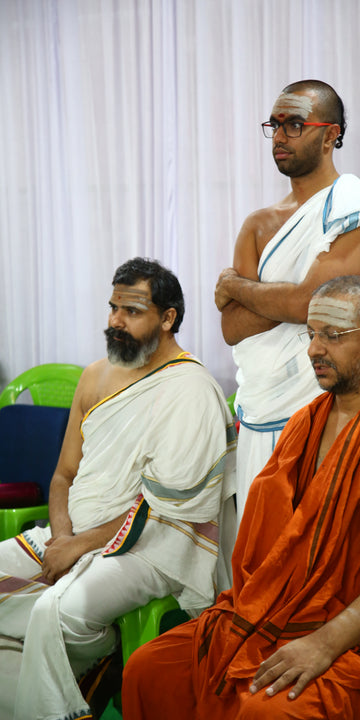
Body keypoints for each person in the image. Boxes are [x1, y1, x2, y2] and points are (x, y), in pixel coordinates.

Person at [123, 275, 360, 720]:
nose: (314, 349)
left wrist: (324, 643)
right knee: (147, 669)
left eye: (332, 335)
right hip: (273, 611)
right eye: (312, 334)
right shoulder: (303, 425)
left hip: (358, 636)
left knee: (267, 711)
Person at [0, 257, 236, 720]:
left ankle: (93, 654)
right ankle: (78, 668)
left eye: (132, 311)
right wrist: (64, 539)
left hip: (150, 547)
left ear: (168, 318)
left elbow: (163, 510)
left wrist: (79, 547)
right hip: (72, 532)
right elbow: (63, 476)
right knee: (43, 611)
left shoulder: (192, 389)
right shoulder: (95, 376)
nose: (115, 321)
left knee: (55, 612)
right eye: (113, 308)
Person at [215, 79, 360, 519]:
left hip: (332, 409)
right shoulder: (258, 225)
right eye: (275, 124)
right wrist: (287, 298)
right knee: (260, 544)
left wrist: (235, 288)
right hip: (262, 410)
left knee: (321, 542)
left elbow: (309, 304)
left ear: (330, 135)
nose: (280, 136)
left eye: (295, 124)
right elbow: (232, 327)